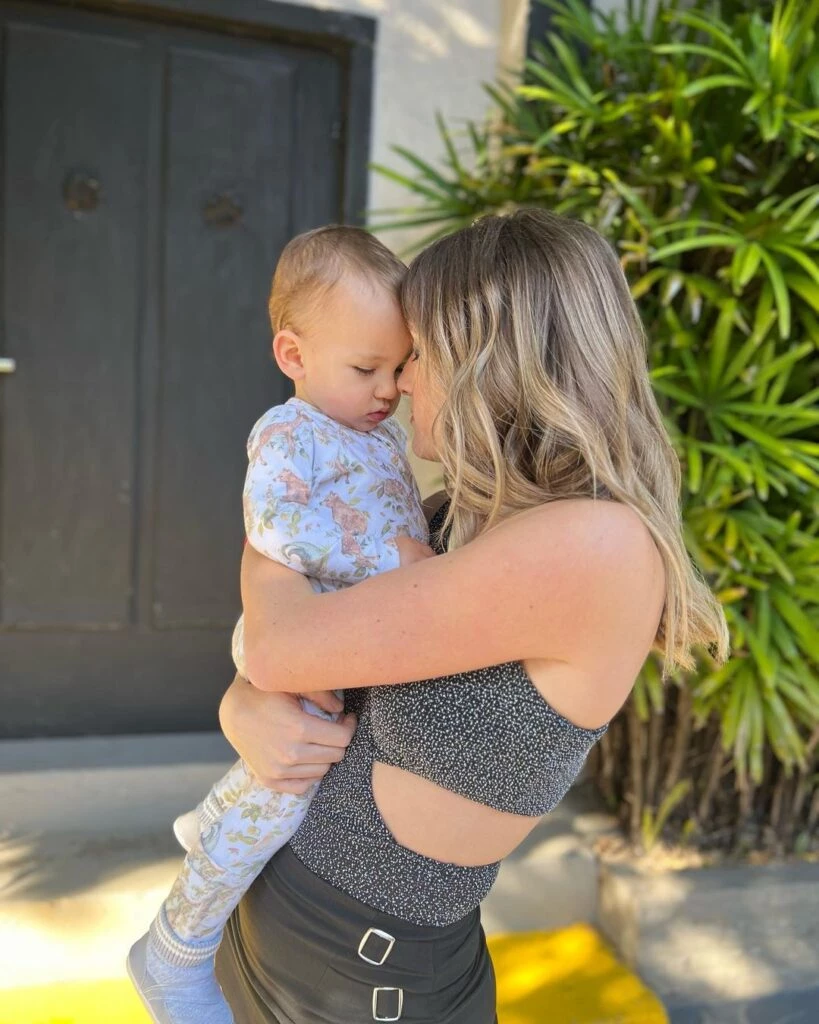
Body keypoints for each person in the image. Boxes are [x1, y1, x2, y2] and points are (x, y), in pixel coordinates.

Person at [215, 208, 729, 1024]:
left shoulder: (590, 545)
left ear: (494, 361)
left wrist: (269, 512)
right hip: (288, 939)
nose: (401, 381)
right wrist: (242, 704)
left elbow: (281, 643)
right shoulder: (458, 515)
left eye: (418, 355)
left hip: (365, 978)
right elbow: (292, 663)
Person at [127, 226, 432, 1024]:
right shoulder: (288, 432)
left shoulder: (382, 437)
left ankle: (223, 813)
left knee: (279, 778)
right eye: (365, 368)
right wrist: (391, 558)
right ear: (292, 355)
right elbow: (274, 528)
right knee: (285, 794)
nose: (387, 388)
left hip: (340, 642)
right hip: (296, 635)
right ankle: (179, 946)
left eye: (398, 368)